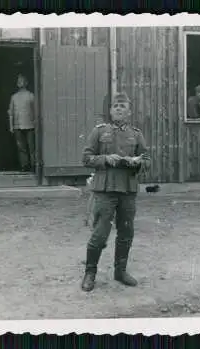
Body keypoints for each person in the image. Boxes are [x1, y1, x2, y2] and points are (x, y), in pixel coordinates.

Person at [80, 92, 151, 292]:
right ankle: (90, 273)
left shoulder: (136, 134)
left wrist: (137, 163)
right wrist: (105, 159)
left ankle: (120, 271)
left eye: (122, 106)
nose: (118, 109)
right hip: (105, 189)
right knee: (100, 233)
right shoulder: (99, 132)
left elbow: (147, 160)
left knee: (126, 231)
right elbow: (86, 158)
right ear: (110, 111)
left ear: (129, 112)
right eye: (115, 106)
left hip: (127, 190)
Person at [8, 74, 36, 172]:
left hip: (30, 125)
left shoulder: (31, 96)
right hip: (17, 125)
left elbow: (36, 111)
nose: (20, 82)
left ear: (26, 83)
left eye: (22, 80)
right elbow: (10, 112)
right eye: (18, 80)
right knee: (21, 147)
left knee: (31, 147)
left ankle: (33, 165)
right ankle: (24, 165)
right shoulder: (14, 97)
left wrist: (35, 124)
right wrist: (11, 126)